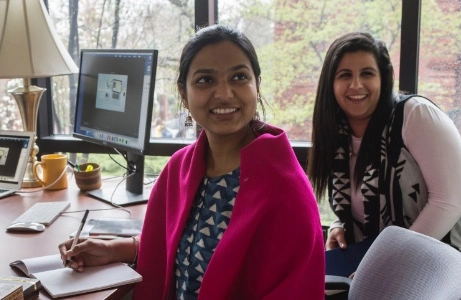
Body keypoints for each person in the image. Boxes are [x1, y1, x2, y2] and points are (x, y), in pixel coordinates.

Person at [59, 24, 324, 299]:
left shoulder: (286, 191)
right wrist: (117, 250)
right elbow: (184, 250)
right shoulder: (179, 169)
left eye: (239, 77)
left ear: (257, 85)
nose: (224, 94)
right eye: (205, 80)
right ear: (184, 95)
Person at [307, 32, 461, 299]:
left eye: (367, 74)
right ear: (330, 84)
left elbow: (449, 201)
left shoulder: (414, 115)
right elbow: (364, 198)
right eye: (345, 75)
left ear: (383, 78)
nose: (356, 85)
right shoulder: (337, 132)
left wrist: (387, 264)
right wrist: (342, 223)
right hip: (375, 261)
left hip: (449, 267)